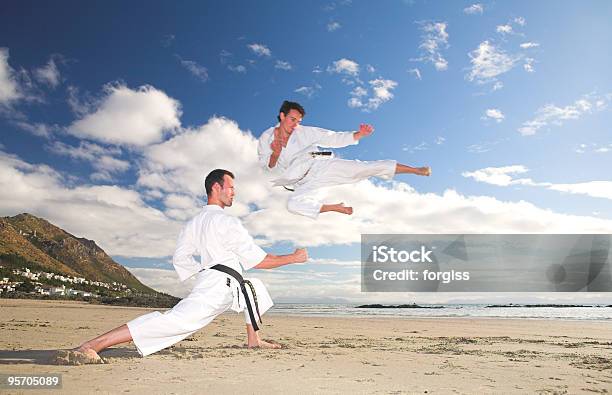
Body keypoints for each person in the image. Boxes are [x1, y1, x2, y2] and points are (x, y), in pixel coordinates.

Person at [64, 169, 308, 363]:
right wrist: (294, 257)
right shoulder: (225, 221)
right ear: (216, 187)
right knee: (174, 322)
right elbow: (259, 260)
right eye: (231, 187)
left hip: (221, 282)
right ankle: (92, 345)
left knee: (254, 290)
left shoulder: (194, 222)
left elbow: (180, 258)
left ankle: (254, 339)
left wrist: (203, 274)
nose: (234, 193)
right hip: (217, 285)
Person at [257, 100, 432, 218]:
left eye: (299, 121)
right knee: (293, 205)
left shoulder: (305, 132)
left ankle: (416, 170)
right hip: (302, 181)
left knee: (365, 168)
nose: (295, 124)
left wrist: (358, 135)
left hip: (320, 164)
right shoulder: (266, 137)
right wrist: (275, 153)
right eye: (292, 119)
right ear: (282, 116)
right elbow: (267, 168)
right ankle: (335, 207)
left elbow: (332, 138)